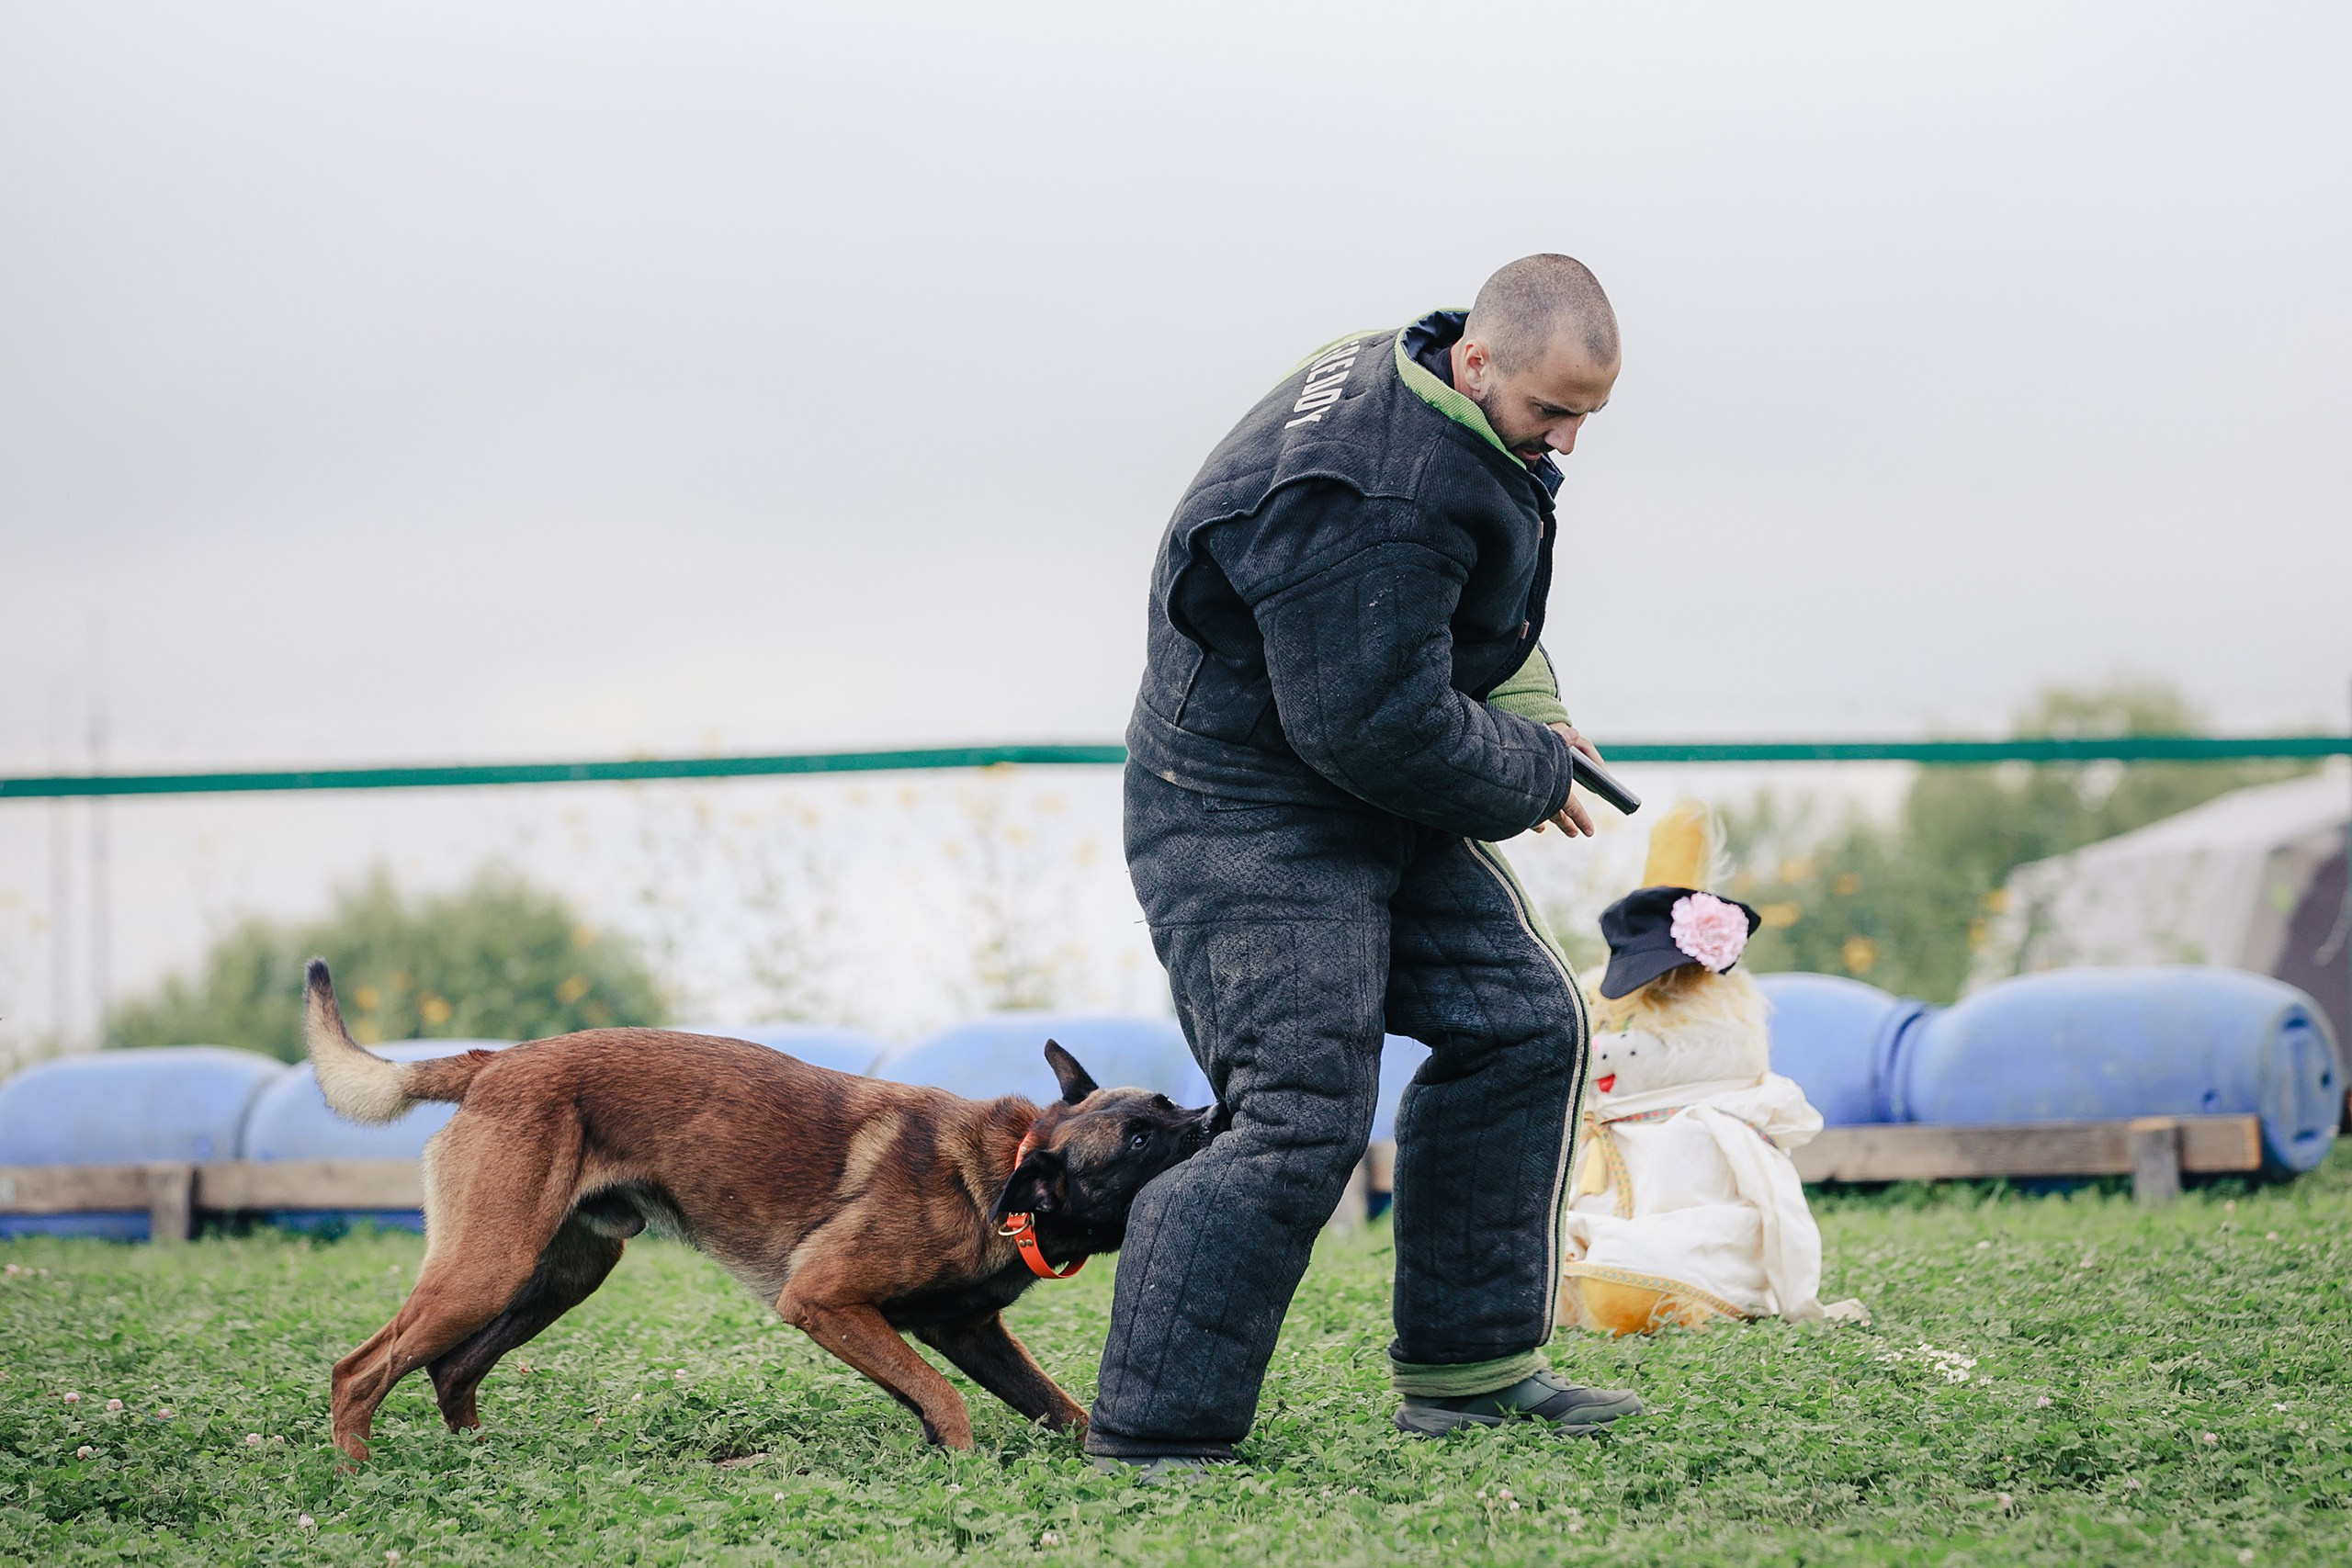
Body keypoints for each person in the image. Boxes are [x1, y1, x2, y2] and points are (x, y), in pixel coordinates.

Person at [1088, 254, 1642, 1472]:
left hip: (1356, 776)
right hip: (1241, 808)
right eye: (1552, 412)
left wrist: (1533, 708)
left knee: (1520, 1025)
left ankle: (1470, 1377)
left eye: (1585, 416)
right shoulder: (1367, 491)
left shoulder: (1428, 379)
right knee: (1299, 1114)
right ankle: (1158, 1433)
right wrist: (1532, 772)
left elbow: (1463, 612)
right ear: (1479, 361)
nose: (1566, 441)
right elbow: (1373, 727)